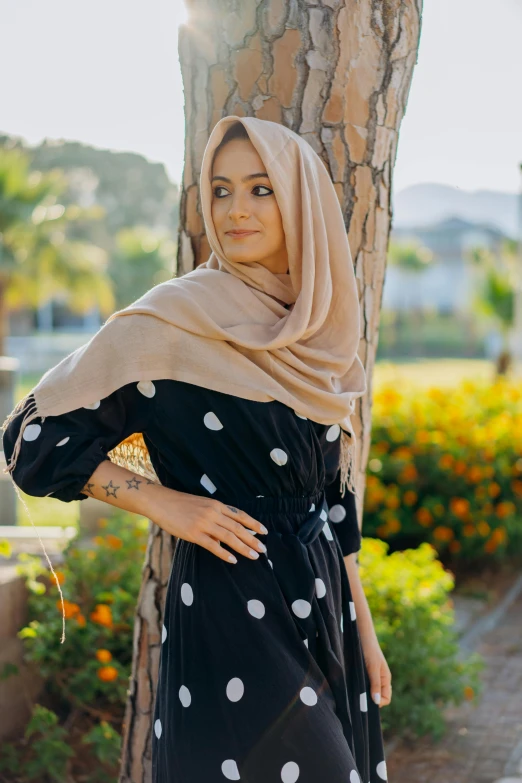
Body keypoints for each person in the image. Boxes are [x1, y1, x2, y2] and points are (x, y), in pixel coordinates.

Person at [2, 116, 391, 783]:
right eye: (220, 189)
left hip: (323, 598)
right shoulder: (171, 321)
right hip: (228, 597)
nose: (235, 209)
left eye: (261, 188)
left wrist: (366, 634)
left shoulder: (322, 331)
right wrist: (164, 504)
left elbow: (332, 500)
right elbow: (31, 436)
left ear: (300, 200)